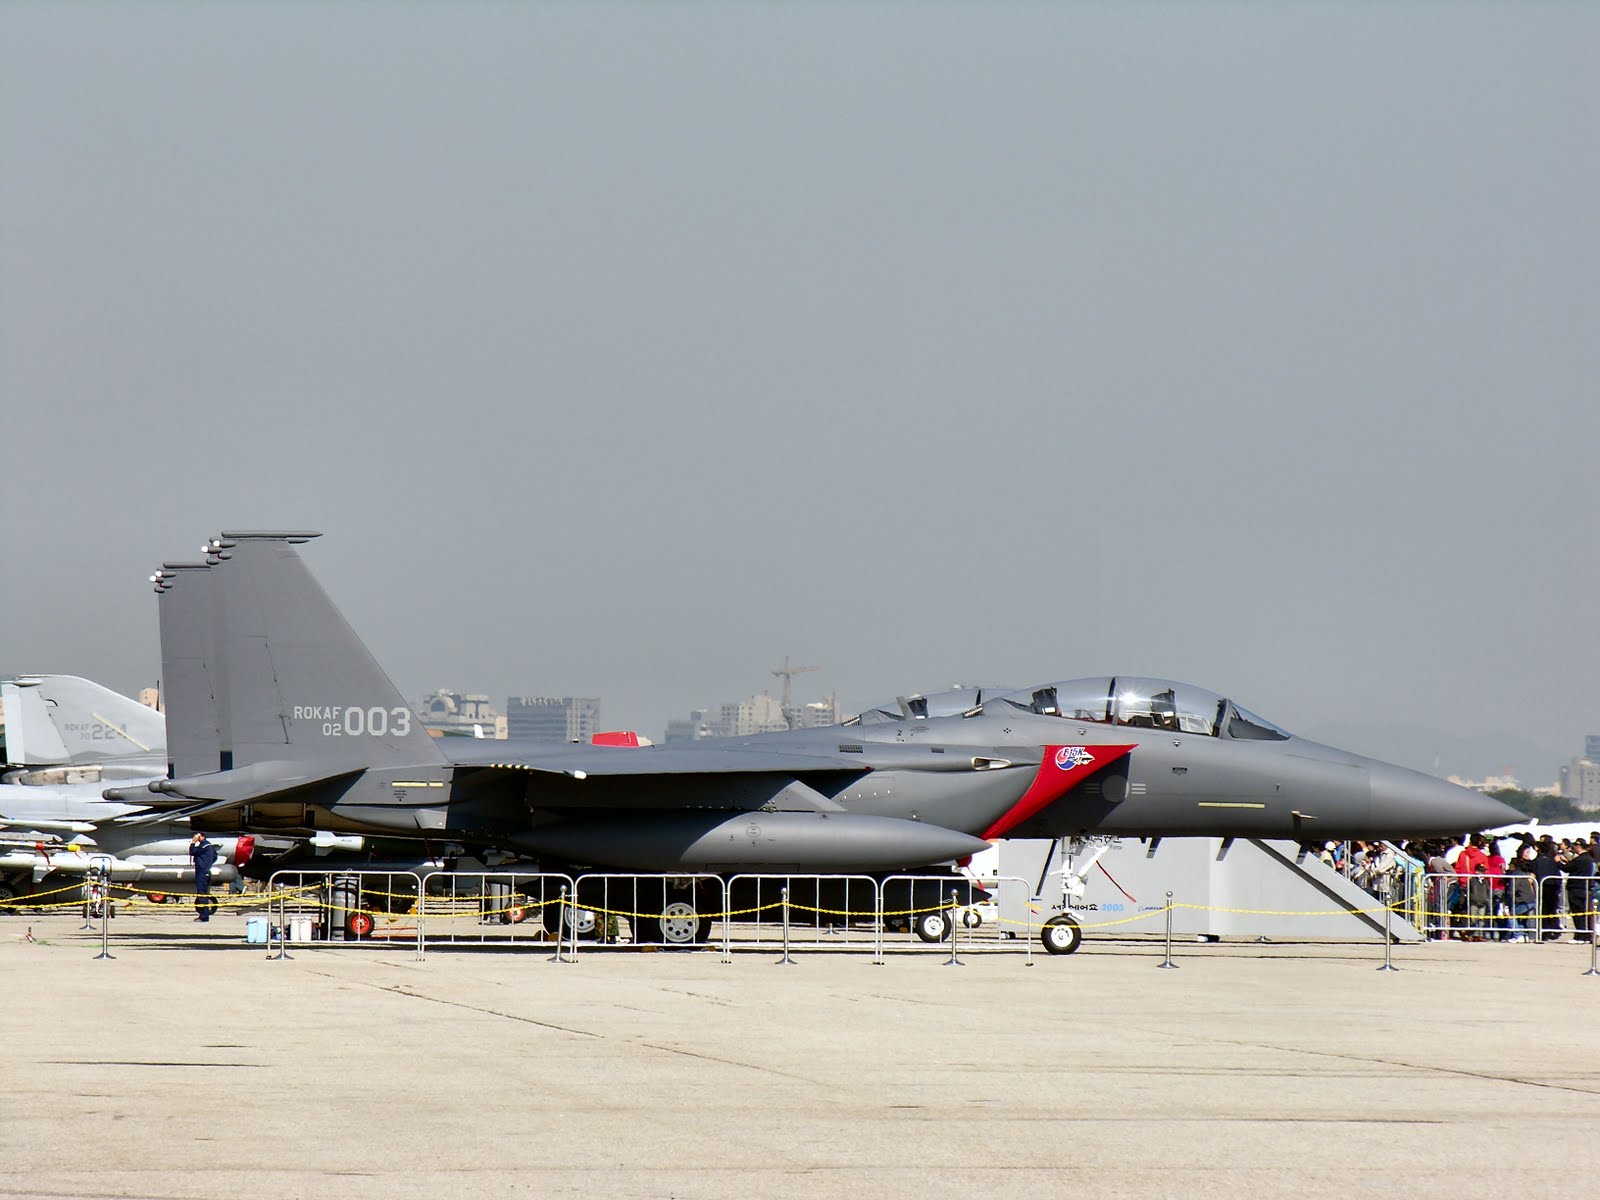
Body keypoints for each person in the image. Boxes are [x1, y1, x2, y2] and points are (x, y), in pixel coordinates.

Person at [1565, 840, 1596, 944]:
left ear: (1579, 846)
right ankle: (1584, 935)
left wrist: (1558, 862)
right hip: (1583, 888)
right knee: (1583, 912)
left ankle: (1580, 935)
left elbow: (1567, 868)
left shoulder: (1580, 859)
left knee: (1578, 912)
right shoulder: (1588, 859)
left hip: (1576, 888)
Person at [189, 833, 219, 923]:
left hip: (202, 872)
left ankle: (204, 916)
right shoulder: (208, 846)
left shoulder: (204, 846)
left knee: (202, 894)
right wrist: (207, 863)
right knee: (204, 893)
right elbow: (215, 856)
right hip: (206, 871)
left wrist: (193, 843)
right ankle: (204, 915)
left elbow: (192, 852)